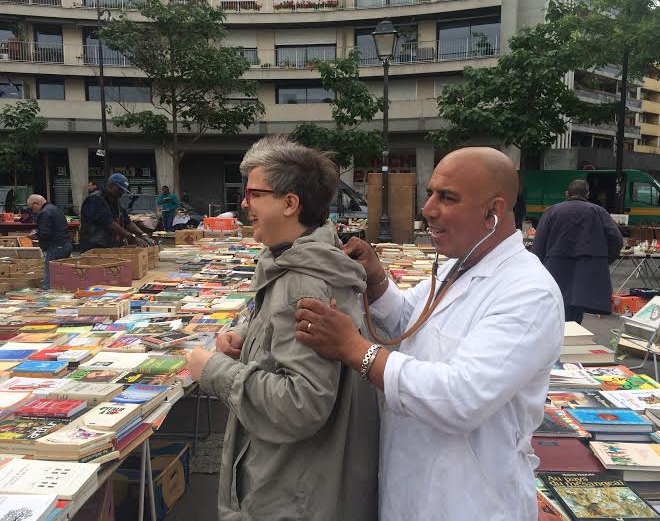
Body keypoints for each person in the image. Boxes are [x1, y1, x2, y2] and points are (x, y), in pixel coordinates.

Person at [293, 147, 565, 520]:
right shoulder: (458, 266)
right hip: (412, 487)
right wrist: (376, 279)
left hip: (469, 502)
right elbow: (409, 322)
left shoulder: (528, 292)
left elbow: (461, 397)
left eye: (447, 198)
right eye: (431, 193)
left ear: (494, 210)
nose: (428, 209)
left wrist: (355, 350)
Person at [185, 136, 379, 521]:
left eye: (254, 194)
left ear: (290, 204)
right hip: (296, 480)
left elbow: (300, 404)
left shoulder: (303, 282)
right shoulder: (293, 261)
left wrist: (213, 371)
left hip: (291, 494)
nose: (244, 204)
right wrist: (250, 339)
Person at [532, 179, 624, 323]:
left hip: (555, 270)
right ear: (587, 194)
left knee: (555, 313)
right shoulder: (598, 211)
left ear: (567, 193)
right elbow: (616, 240)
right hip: (585, 272)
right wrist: (602, 261)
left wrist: (538, 270)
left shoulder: (551, 211)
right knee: (575, 317)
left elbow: (538, 245)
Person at [79, 173, 155, 252]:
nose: (122, 193)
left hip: (108, 245)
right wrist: (132, 237)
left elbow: (127, 221)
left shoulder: (114, 200)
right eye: (120, 189)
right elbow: (109, 223)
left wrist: (142, 234)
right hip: (93, 246)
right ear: (111, 185)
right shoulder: (95, 199)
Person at [27, 194, 72, 290]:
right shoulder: (55, 208)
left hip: (55, 246)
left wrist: (35, 235)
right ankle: (61, 291)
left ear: (36, 204)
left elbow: (45, 233)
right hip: (65, 244)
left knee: (50, 275)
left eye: (31, 208)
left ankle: (47, 294)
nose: (33, 211)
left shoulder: (44, 213)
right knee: (61, 273)